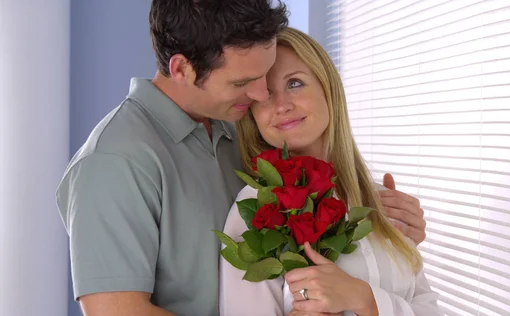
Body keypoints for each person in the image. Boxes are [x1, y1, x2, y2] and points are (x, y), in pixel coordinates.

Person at [56, 1, 426, 315]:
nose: (262, 94)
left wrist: (384, 231)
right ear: (182, 69)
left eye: (264, 75)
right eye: (242, 82)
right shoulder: (112, 162)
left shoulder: (240, 125)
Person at [219, 27, 441, 316]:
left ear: (328, 87)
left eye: (295, 83)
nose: (282, 105)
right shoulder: (255, 209)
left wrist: (366, 300)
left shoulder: (385, 203)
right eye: (264, 95)